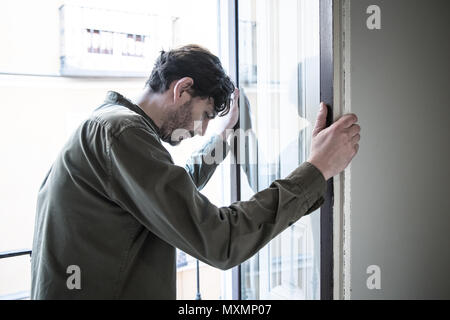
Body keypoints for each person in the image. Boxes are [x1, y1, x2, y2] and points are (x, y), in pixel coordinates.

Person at [31, 44, 360, 299]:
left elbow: (172, 191)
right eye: (203, 115)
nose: (200, 130)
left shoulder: (111, 125)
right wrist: (316, 170)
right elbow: (220, 239)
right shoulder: (122, 133)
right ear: (182, 89)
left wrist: (225, 138)